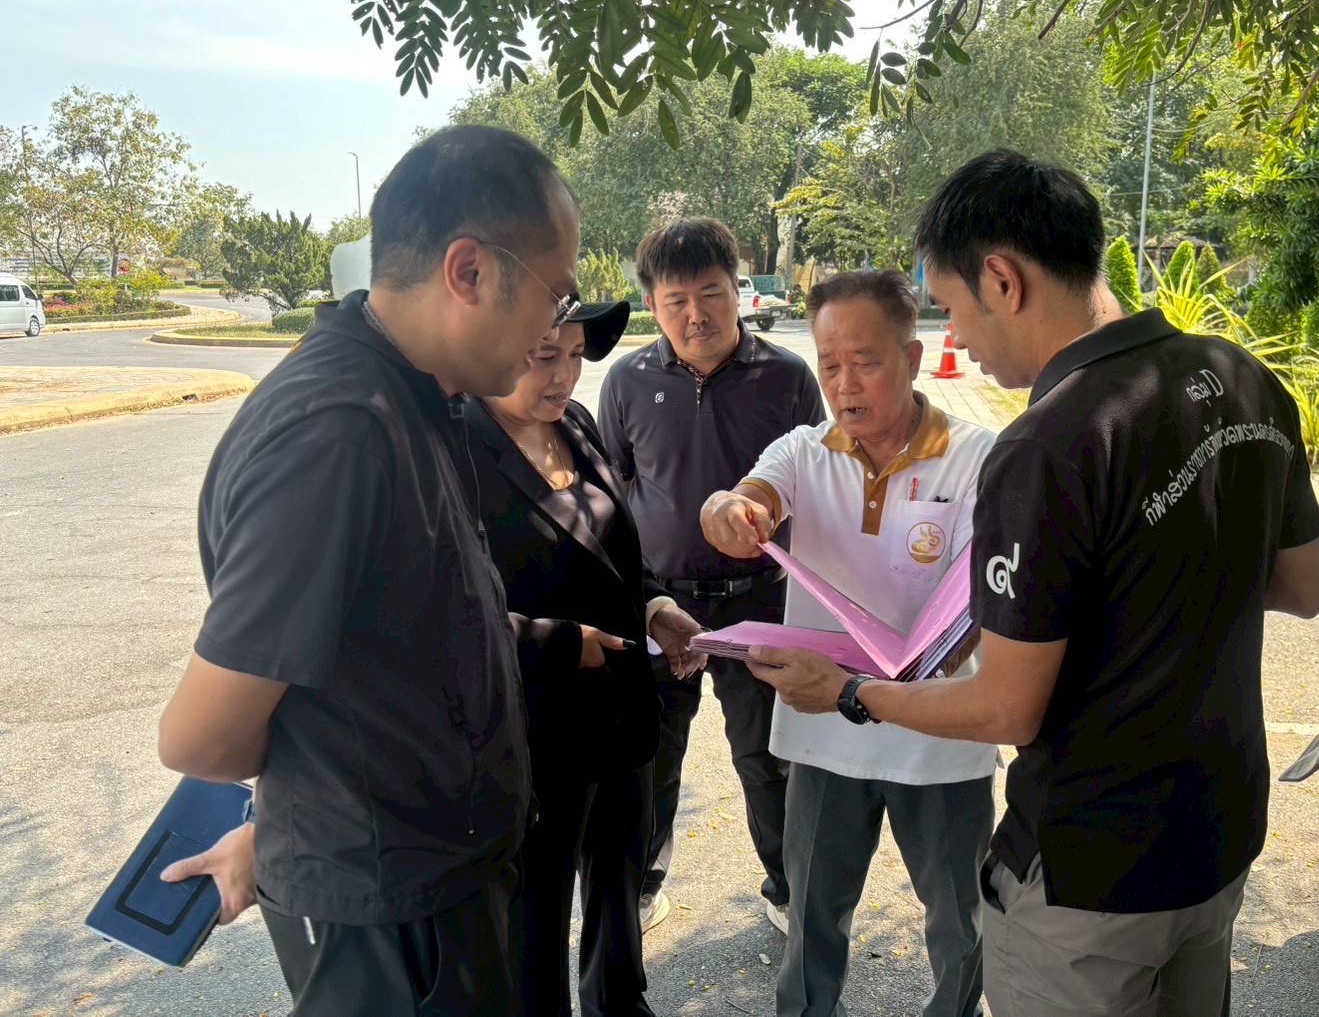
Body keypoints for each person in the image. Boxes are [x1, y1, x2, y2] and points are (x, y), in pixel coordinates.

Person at [745, 149, 1319, 1017]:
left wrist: (852, 691)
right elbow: (1301, 585)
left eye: (952, 310)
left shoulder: (1047, 443)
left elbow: (1004, 709)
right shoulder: (1241, 378)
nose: (960, 343)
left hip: (1091, 867)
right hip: (1217, 832)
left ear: (1002, 279)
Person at [156, 125, 581, 1015]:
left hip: (442, 880)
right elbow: (201, 738)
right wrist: (310, 800)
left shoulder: (416, 394)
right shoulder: (338, 432)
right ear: (469, 272)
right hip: (392, 915)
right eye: (556, 292)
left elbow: (408, 631)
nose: (558, 324)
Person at [700, 269, 998, 1017]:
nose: (842, 382)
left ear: (913, 356)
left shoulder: (977, 458)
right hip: (825, 733)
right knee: (811, 920)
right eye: (828, 364)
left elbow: (982, 602)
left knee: (961, 925)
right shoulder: (804, 451)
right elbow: (744, 497)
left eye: (863, 361)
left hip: (939, 739)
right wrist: (731, 511)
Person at [463, 301, 702, 1017]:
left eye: (573, 355)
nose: (564, 374)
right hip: (533, 732)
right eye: (543, 356)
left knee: (618, 886)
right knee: (534, 918)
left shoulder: (574, 425)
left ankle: (620, 1005)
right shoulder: (456, 452)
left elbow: (615, 553)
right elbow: (439, 617)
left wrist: (656, 604)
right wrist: (560, 642)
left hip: (621, 712)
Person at [597, 217, 826, 934]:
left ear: (739, 290)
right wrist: (641, 602)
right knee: (653, 755)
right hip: (663, 606)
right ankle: (642, 879)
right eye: (674, 301)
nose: (695, 315)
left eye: (711, 294)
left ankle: (786, 887)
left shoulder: (786, 378)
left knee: (764, 756)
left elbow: (817, 485)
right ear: (651, 304)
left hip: (759, 603)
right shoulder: (628, 381)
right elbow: (613, 494)